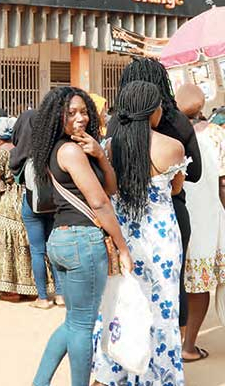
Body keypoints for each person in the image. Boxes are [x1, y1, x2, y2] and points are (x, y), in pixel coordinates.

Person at [30, 86, 130, 386]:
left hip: (62, 241)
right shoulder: (71, 151)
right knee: (83, 325)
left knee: (73, 323)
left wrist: (100, 155)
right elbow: (100, 202)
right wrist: (123, 248)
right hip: (83, 242)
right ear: (56, 117)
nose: (80, 118)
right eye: (70, 113)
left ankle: (39, 382)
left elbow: (110, 188)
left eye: (84, 111)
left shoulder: (59, 148)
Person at [92, 80, 187, 386]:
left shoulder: (108, 146)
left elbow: (107, 191)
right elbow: (175, 189)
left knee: (120, 304)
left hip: (123, 238)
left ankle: (116, 373)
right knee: (163, 309)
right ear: (154, 111)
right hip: (161, 239)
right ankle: (158, 378)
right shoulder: (173, 148)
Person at [107, 58, 201, 332]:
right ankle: (175, 348)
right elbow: (193, 174)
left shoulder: (115, 125)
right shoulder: (178, 122)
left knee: (127, 291)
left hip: (126, 220)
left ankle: (130, 353)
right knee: (171, 286)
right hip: (168, 216)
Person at [175, 83, 224, 363]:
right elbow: (224, 182)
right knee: (200, 284)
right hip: (206, 215)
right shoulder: (217, 135)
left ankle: (174, 341)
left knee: (177, 281)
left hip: (177, 214)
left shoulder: (170, 133)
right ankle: (189, 345)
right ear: (203, 106)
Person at [0, 116, 47, 301]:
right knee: (28, 244)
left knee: (8, 244)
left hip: (8, 202)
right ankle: (32, 287)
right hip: (29, 198)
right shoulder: (25, 148)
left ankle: (12, 289)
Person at [10, 110, 64, 309]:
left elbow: (16, 175)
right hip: (55, 205)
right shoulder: (55, 149)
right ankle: (61, 294)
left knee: (37, 251)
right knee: (53, 248)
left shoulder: (22, 153)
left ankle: (43, 297)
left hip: (32, 205)